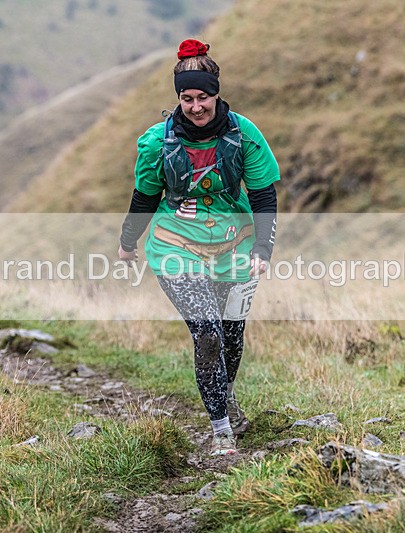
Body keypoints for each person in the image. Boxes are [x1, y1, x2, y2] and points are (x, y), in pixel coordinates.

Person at [118, 39, 279, 456]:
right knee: (206, 331)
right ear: (178, 99)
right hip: (176, 248)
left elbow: (263, 194)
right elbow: (145, 196)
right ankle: (221, 429)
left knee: (231, 335)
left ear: (216, 93)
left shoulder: (245, 135)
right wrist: (127, 242)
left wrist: (264, 247)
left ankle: (225, 398)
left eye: (202, 97)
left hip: (236, 245)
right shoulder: (157, 142)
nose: (195, 106)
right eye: (186, 98)